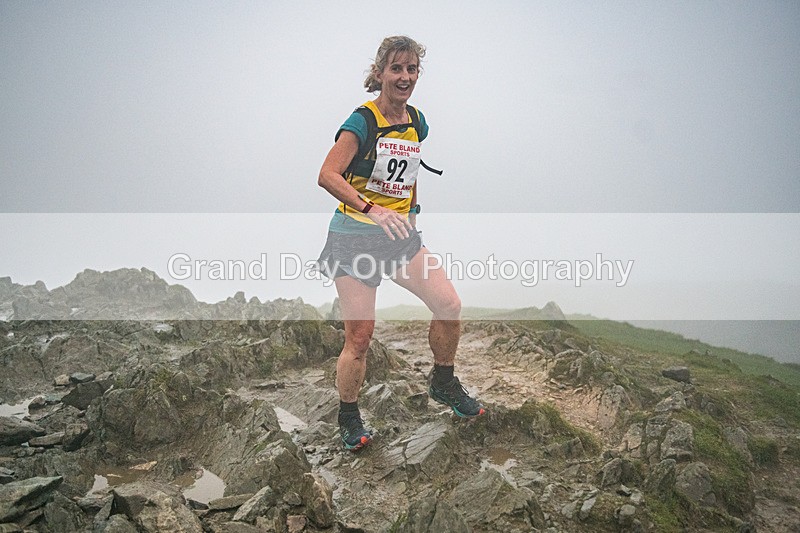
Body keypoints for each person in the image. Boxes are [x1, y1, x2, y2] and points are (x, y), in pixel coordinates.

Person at [317, 36, 485, 452]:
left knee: (449, 304)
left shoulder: (416, 122)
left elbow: (408, 171)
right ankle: (348, 417)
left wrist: (411, 212)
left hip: (398, 236)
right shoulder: (362, 122)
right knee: (360, 338)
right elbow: (327, 175)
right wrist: (372, 209)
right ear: (379, 74)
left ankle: (443, 381)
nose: (405, 77)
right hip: (353, 238)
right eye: (396, 69)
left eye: (412, 69)